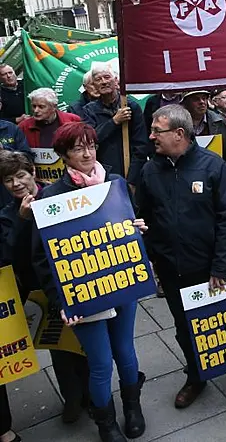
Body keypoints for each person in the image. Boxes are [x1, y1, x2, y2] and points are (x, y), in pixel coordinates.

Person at [30, 123, 147, 442]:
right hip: (83, 293)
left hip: (121, 283)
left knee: (125, 351)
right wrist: (61, 301)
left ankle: (133, 408)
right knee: (99, 362)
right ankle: (106, 424)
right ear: (64, 155)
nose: (87, 153)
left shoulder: (114, 184)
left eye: (91, 146)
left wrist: (136, 228)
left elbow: (127, 226)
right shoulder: (52, 196)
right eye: (78, 148)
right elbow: (42, 258)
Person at [136, 105, 226, 409]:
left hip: (210, 268)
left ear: (179, 133)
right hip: (172, 269)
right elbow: (144, 215)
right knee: (185, 327)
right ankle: (197, 376)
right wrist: (149, 250)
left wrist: (221, 266)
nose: (151, 136)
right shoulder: (150, 169)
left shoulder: (212, 166)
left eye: (156, 130)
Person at [0, 151, 92, 426]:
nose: (16, 184)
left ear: (33, 174)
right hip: (39, 291)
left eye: (20, 176)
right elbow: (8, 255)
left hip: (71, 282)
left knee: (85, 343)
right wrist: (22, 219)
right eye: (8, 180)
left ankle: (91, 395)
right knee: (59, 347)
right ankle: (72, 399)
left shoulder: (55, 196)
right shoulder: (7, 215)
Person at [82, 63, 148, 184]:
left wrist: (132, 180)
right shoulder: (89, 110)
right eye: (98, 79)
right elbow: (90, 139)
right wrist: (114, 121)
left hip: (130, 171)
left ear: (116, 81)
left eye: (107, 77)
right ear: (94, 86)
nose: (103, 82)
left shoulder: (131, 107)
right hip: (102, 174)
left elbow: (141, 146)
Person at [180, 90, 226, 163]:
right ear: (186, 103)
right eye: (196, 99)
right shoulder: (177, 124)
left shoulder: (221, 122)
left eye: (204, 98)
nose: (202, 102)